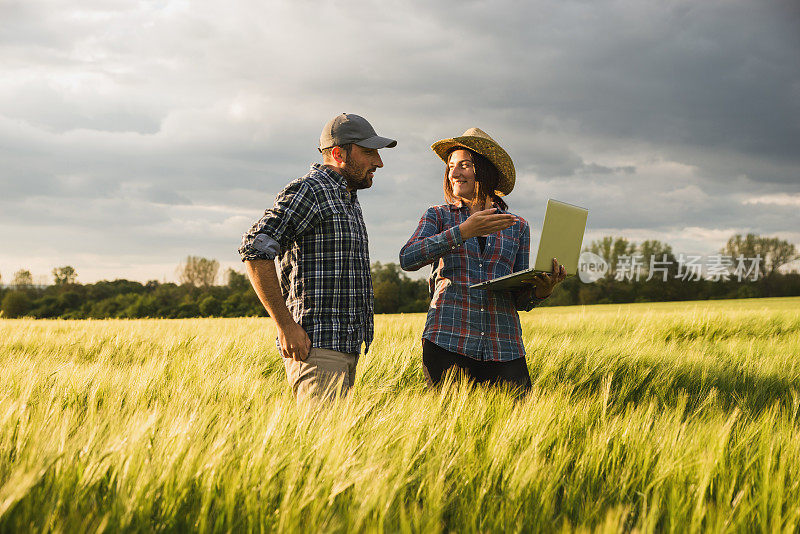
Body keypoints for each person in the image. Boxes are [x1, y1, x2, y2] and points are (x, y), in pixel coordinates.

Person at [239, 113, 396, 403]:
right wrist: (285, 326)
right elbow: (255, 248)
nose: (379, 162)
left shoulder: (347, 198)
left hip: (344, 349)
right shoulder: (311, 190)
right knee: (321, 446)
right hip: (317, 349)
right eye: (369, 152)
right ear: (338, 153)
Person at [399, 127, 566, 391]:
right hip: (447, 340)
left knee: (516, 427)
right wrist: (462, 232)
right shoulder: (438, 216)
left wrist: (542, 291)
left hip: (504, 345)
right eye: (451, 166)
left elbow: (519, 297)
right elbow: (408, 258)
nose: (454, 173)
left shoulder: (517, 226)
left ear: (486, 170)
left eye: (464, 165)